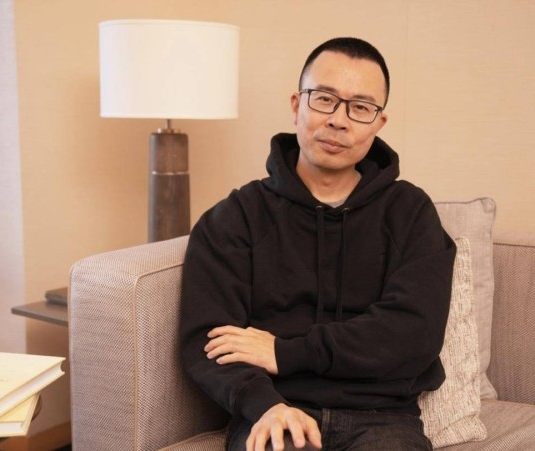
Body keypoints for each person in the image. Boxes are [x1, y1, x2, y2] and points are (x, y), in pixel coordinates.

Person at [179, 37, 456, 451]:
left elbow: (413, 333)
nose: (339, 121)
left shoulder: (410, 212)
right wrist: (264, 405)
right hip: (275, 412)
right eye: (324, 99)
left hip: (383, 420)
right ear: (297, 106)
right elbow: (210, 339)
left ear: (378, 123)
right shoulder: (236, 217)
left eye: (360, 107)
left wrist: (285, 352)